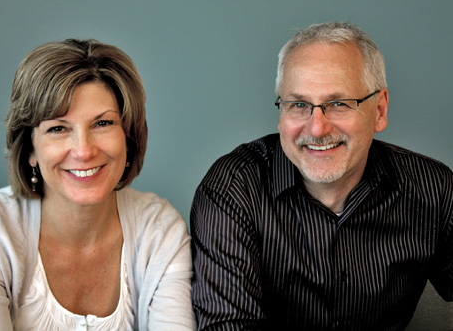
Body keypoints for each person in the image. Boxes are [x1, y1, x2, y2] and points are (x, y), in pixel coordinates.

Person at [190, 22, 453, 330]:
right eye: (299, 104)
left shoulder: (433, 189)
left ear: (379, 110)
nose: (317, 128)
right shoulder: (233, 190)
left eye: (339, 104)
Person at [0, 39, 195, 330]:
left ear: (128, 136)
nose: (83, 150)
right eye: (57, 128)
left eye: (102, 124)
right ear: (30, 150)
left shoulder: (159, 230)